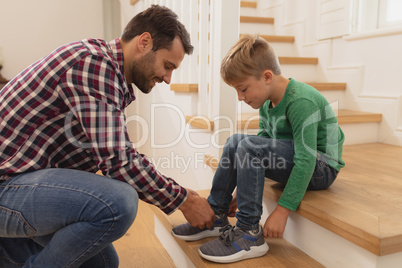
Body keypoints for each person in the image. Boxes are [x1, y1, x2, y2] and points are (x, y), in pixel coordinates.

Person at [0, 5, 215, 268]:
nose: (168, 78)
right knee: (119, 202)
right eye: (167, 65)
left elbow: (121, 155)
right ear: (144, 42)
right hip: (5, 186)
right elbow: (120, 163)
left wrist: (183, 193)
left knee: (101, 263)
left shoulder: (106, 71)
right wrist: (184, 201)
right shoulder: (93, 64)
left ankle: (9, 250)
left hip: (19, 181)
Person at [172, 34, 345, 263]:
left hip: (320, 165)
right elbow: (264, 143)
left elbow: (305, 160)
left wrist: (282, 211)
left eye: (243, 89)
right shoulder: (267, 101)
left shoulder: (301, 101)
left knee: (249, 145)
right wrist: (239, 193)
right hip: (295, 157)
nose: (240, 97)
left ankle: (250, 233)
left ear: (266, 77)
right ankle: (217, 214)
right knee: (236, 141)